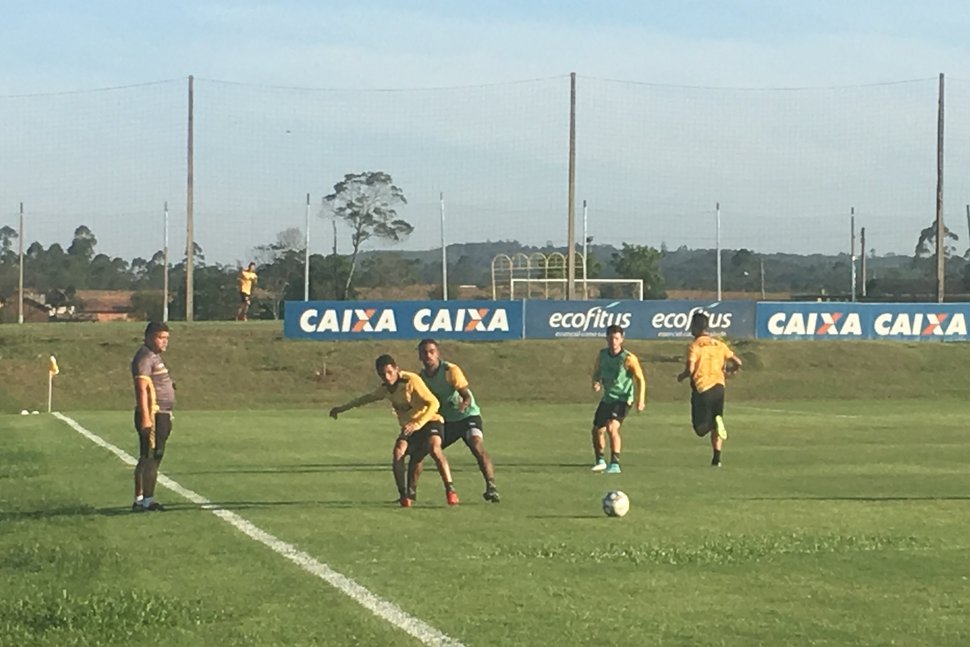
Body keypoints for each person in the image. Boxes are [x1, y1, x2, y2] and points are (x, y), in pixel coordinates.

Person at [329, 354, 460, 507]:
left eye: (390, 372)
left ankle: (450, 491)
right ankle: (404, 495)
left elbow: (434, 403)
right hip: (410, 427)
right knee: (398, 452)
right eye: (382, 374)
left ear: (396, 369)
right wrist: (341, 408)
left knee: (434, 448)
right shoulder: (386, 389)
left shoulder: (411, 380)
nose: (387, 377)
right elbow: (365, 399)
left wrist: (418, 423)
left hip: (430, 421)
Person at [408, 338, 500, 503]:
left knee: (476, 444)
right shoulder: (421, 378)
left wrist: (464, 404)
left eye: (431, 351)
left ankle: (491, 486)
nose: (428, 355)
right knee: (420, 452)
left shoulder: (450, 370)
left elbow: (465, 395)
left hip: (467, 417)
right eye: (424, 352)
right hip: (447, 422)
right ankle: (409, 493)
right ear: (420, 356)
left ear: (438, 353)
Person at [676, 311, 743, 467]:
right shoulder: (719, 344)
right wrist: (732, 371)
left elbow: (691, 369)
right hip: (719, 388)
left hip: (702, 389)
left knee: (700, 429)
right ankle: (716, 459)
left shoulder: (695, 346)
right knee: (716, 421)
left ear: (695, 327)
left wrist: (682, 375)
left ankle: (714, 423)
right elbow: (738, 361)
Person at [590, 324, 647, 474]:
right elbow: (597, 372)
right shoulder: (602, 355)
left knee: (612, 427)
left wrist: (640, 399)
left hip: (623, 399)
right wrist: (596, 382)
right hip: (608, 398)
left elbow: (640, 379)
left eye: (616, 338)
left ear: (621, 339)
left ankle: (615, 463)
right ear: (606, 338)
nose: (613, 341)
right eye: (610, 338)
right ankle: (600, 460)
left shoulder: (628, 358)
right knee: (597, 430)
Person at [131, 321, 175, 512]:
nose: (164, 342)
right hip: (154, 413)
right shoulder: (145, 357)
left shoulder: (154, 356)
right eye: (160, 337)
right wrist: (147, 417)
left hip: (161, 413)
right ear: (148, 337)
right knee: (152, 457)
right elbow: (141, 389)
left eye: (166, 338)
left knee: (147, 456)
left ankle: (141, 499)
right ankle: (147, 501)